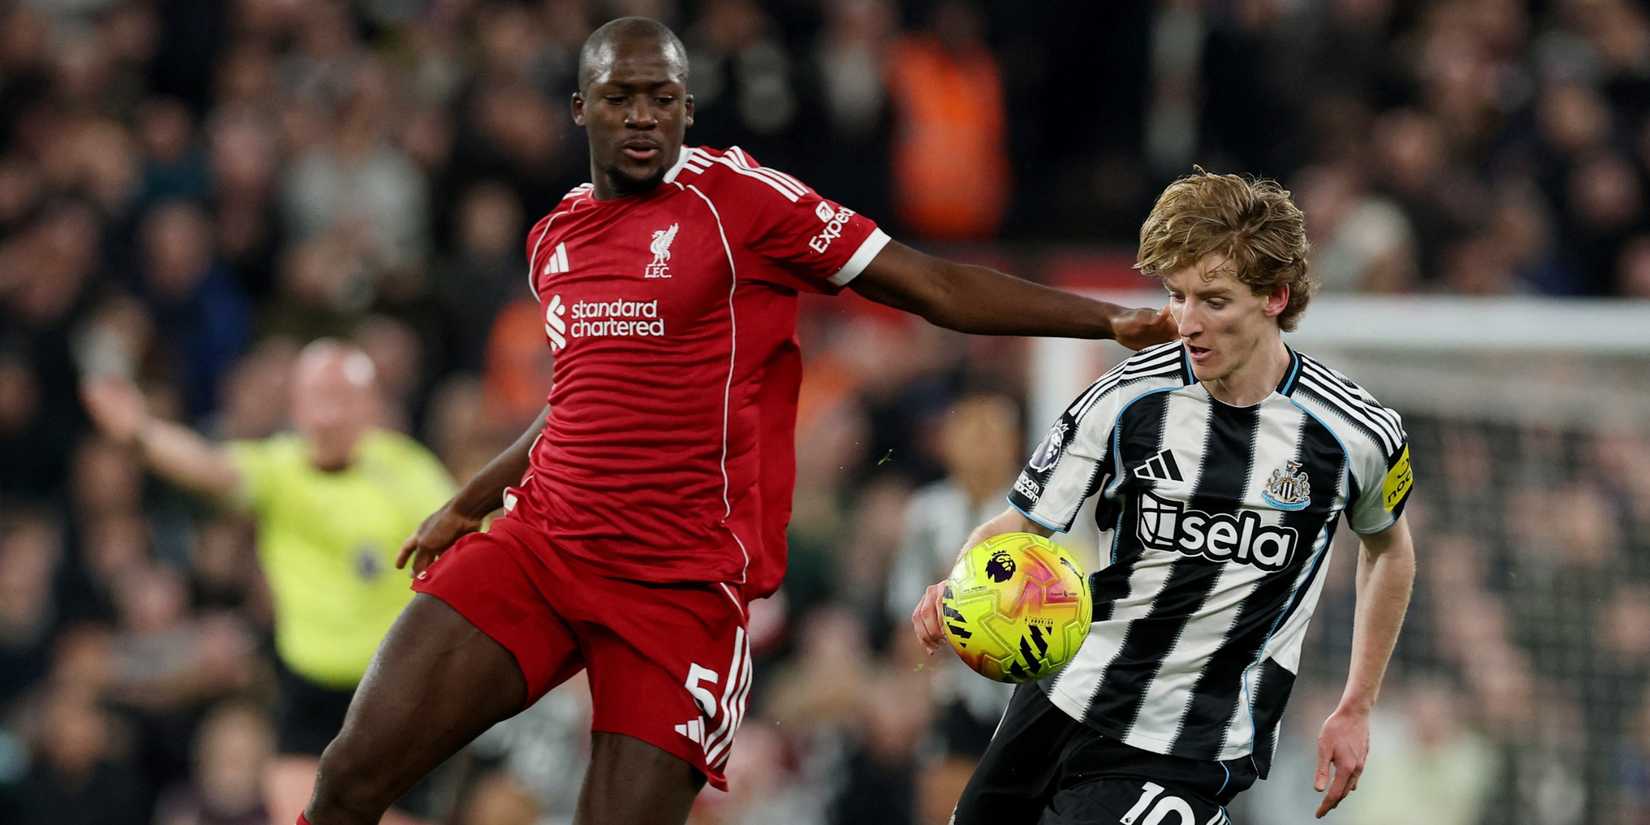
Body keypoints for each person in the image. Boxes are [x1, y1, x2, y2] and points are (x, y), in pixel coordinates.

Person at [298, 17, 1176, 825]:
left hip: (675, 588)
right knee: (347, 778)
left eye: (662, 99)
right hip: (541, 547)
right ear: (580, 109)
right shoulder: (556, 236)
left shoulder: (744, 203)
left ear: (686, 107)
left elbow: (933, 285)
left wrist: (1106, 318)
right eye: (620, 98)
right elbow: (583, 400)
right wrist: (473, 499)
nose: (643, 117)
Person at [912, 169, 1418, 822]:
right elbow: (1021, 524)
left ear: (1275, 296)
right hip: (1064, 693)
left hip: (1189, 739)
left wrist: (1356, 704)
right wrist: (958, 582)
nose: (1187, 322)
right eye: (1177, 295)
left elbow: (1389, 552)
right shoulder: (1126, 397)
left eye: (1214, 299)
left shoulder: (1355, 433)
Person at [80, 339, 455, 825]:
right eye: (316, 396)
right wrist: (140, 435)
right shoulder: (280, 470)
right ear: (295, 405)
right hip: (305, 690)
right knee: (294, 812)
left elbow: (469, 542)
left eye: (341, 397)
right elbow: (210, 467)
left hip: (393, 693)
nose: (327, 414)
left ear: (370, 406)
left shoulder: (409, 473)